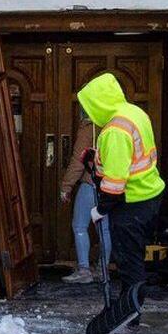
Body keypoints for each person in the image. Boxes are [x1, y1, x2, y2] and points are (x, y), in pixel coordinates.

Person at [77, 72, 165, 320]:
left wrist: (100, 209)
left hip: (132, 203)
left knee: (129, 263)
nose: (87, 113)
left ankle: (129, 316)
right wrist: (96, 159)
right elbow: (129, 158)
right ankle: (128, 310)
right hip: (149, 195)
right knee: (132, 258)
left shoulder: (114, 131)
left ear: (98, 103)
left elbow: (115, 184)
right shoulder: (134, 113)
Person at [59, 112, 111, 284]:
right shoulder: (114, 123)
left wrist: (66, 186)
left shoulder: (89, 127)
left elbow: (78, 160)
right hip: (111, 185)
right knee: (104, 229)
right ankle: (103, 270)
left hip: (91, 183)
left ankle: (84, 270)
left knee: (80, 226)